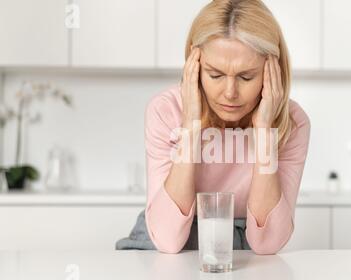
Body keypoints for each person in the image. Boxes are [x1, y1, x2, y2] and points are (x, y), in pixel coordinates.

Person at [118, 0, 311, 255]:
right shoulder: (165, 111)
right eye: (215, 75)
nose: (230, 93)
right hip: (162, 239)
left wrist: (264, 131)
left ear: (271, 69)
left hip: (239, 243)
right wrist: (192, 125)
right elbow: (167, 239)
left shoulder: (293, 124)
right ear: (194, 65)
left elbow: (267, 244)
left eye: (246, 77)